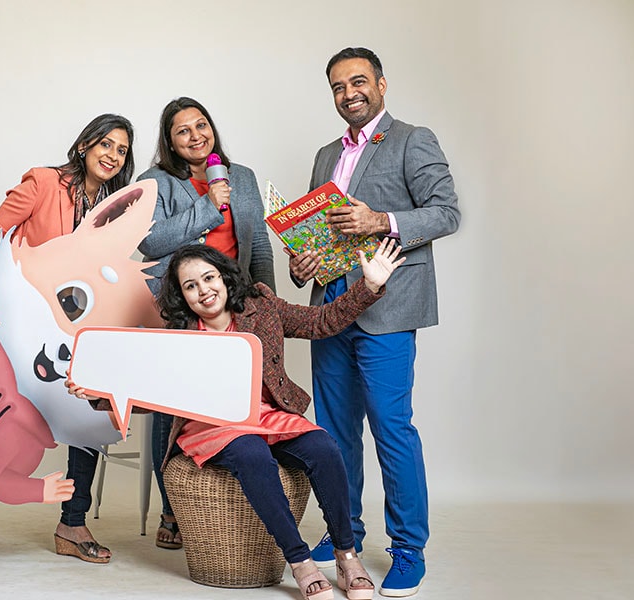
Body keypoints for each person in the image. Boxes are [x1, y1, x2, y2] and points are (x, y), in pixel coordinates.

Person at [68, 241, 406, 600]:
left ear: (225, 277)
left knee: (323, 446)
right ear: (182, 297)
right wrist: (94, 393)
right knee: (250, 454)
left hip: (266, 414)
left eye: (209, 277)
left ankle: (346, 554)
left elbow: (319, 322)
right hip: (210, 426)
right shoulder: (177, 334)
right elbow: (146, 393)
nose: (204, 290)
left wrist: (368, 287)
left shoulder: (261, 305)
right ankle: (299, 560)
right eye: (191, 286)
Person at [0, 113, 136, 563]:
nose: (113, 156)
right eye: (106, 144)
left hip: (79, 334)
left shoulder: (112, 209)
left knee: (88, 421)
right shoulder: (43, 182)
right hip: (26, 331)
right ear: (84, 145)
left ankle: (72, 527)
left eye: (121, 150)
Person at [289, 47, 460, 597]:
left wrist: (379, 219)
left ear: (382, 85)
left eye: (358, 82)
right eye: (338, 87)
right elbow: (320, 234)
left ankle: (408, 548)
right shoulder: (323, 155)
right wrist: (302, 261)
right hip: (330, 306)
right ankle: (346, 537)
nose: (348, 93)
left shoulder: (414, 139)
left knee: (391, 429)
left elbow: (446, 211)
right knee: (335, 434)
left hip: (388, 307)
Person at [136, 96, 276, 550]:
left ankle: (227, 498)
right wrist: (208, 207)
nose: (196, 136)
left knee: (239, 400)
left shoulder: (244, 178)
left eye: (202, 125)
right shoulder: (154, 182)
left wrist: (265, 299)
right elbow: (150, 241)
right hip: (179, 304)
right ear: (170, 142)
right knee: (173, 405)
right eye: (183, 130)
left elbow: (258, 247)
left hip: (234, 303)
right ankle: (173, 508)